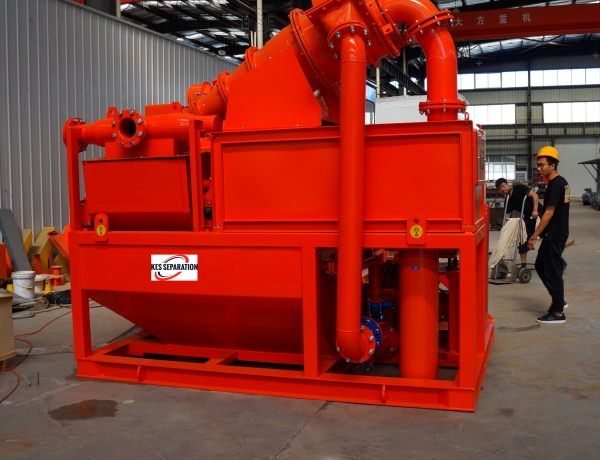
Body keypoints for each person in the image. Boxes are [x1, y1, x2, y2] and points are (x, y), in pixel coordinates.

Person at [527, 146, 570, 324]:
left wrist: (534, 236)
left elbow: (549, 213)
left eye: (542, 165)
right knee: (540, 265)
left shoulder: (556, 185)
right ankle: (559, 300)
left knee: (552, 273)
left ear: (552, 166)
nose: (539, 168)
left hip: (554, 234)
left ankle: (558, 313)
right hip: (557, 233)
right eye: (537, 165)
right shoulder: (562, 182)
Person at [495, 177, 539, 268]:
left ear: (508, 184)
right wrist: (504, 232)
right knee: (521, 237)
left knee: (549, 237)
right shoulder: (508, 200)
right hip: (528, 217)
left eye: (503, 186)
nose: (502, 189)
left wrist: (535, 210)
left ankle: (560, 260)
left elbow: (535, 195)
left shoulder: (519, 188)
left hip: (539, 213)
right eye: (500, 188)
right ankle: (523, 266)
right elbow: (507, 217)